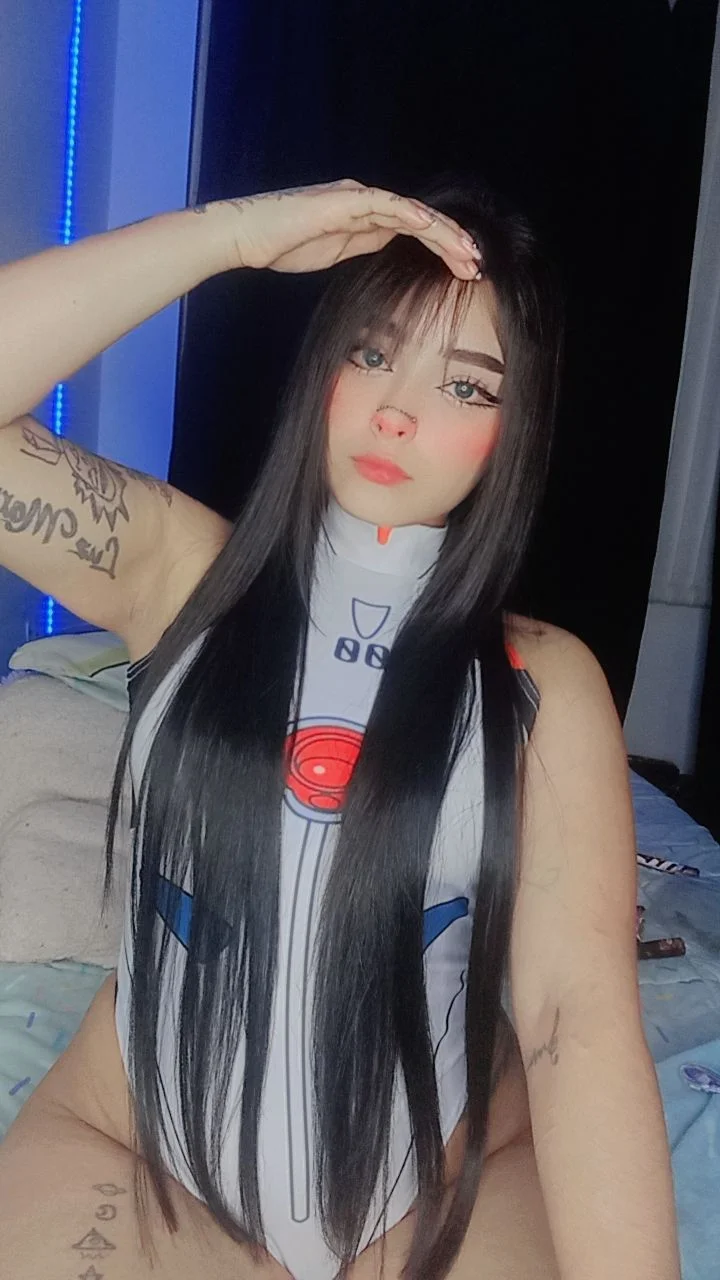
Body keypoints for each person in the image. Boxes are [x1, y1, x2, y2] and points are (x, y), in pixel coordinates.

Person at [0, 179, 680, 1280]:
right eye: (372, 353)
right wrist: (230, 236)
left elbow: (575, 1019)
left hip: (450, 1177)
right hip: (135, 1145)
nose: (397, 412)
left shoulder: (544, 681)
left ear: (516, 429)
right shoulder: (182, 573)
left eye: (466, 384)